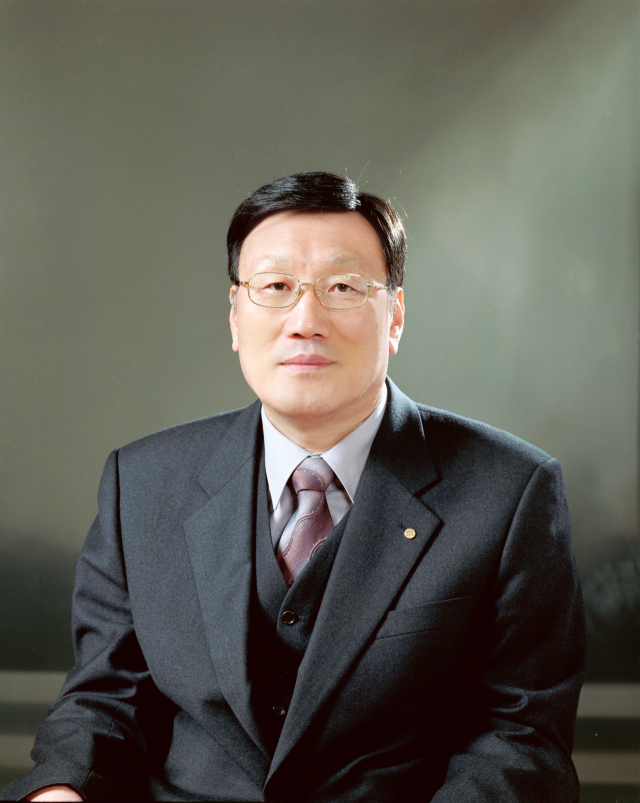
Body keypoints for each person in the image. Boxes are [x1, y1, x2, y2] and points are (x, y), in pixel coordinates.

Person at [3, 172, 587, 802]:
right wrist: (61, 790)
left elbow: (520, 738)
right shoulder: (142, 484)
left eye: (342, 287)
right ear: (235, 316)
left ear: (394, 317)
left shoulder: (510, 491)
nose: (305, 321)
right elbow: (103, 702)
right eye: (276, 287)